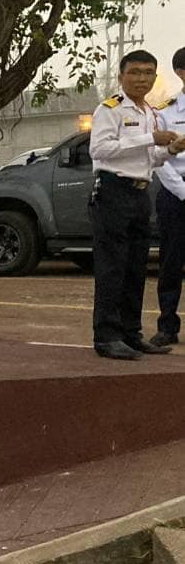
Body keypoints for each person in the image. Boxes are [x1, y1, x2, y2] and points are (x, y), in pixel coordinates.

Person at [90, 49, 185, 360]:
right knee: (112, 267)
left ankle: (131, 334)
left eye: (148, 73)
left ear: (155, 77)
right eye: (135, 72)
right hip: (113, 191)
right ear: (122, 76)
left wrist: (170, 149)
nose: (142, 79)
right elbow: (100, 150)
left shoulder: (151, 113)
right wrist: (149, 140)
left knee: (136, 267)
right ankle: (107, 336)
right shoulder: (111, 109)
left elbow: (152, 158)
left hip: (139, 193)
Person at [152, 47, 185, 348]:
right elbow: (159, 161)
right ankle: (167, 326)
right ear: (180, 72)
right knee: (171, 262)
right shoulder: (165, 112)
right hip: (177, 195)